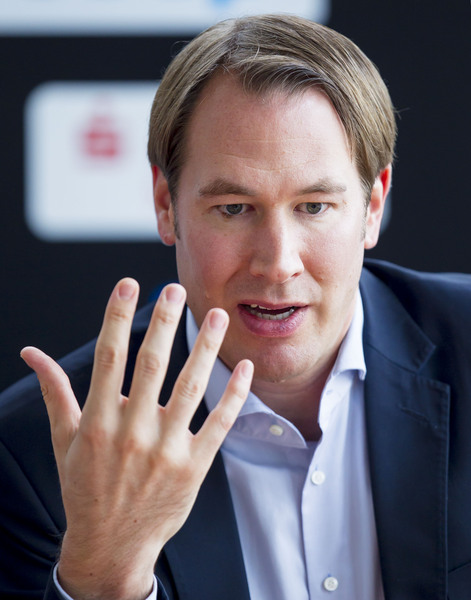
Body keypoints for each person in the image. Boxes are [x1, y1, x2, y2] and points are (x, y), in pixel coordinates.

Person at [1, 13, 470, 600]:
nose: (277, 263)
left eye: (314, 207)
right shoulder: (35, 457)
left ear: (372, 206)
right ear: (166, 206)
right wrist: (107, 571)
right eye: (233, 208)